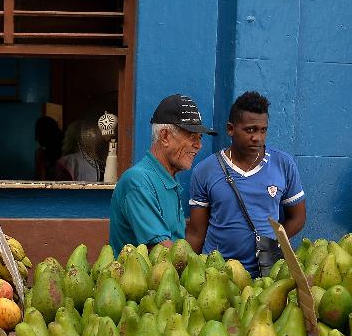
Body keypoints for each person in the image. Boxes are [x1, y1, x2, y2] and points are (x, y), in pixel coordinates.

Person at [185, 91, 306, 276]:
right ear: (230, 129)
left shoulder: (283, 164)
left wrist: (274, 244)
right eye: (250, 130)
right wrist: (189, 273)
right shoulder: (205, 170)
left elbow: (297, 218)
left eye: (262, 130)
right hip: (216, 274)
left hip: (265, 275)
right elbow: (195, 232)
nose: (257, 137)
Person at [109, 93, 215, 252]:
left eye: (200, 138)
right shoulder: (138, 181)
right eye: (192, 137)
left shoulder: (167, 178)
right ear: (164, 136)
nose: (198, 145)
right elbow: (161, 250)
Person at [33, 115, 64, 180]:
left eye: (38, 134)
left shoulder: (41, 154)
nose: (36, 139)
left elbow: (40, 181)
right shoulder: (66, 151)